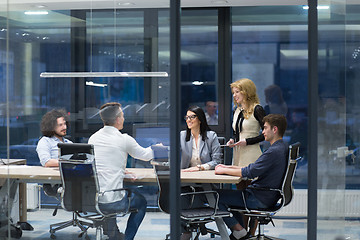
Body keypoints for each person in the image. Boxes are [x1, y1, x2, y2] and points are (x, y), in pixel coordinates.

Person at [215, 114, 288, 240]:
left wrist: (223, 170)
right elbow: (252, 168)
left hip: (259, 198)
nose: (263, 132)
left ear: (274, 129)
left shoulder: (273, 152)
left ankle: (240, 232)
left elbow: (249, 172)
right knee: (230, 198)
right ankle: (241, 232)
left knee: (215, 196)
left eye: (265, 128)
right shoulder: (282, 147)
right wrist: (228, 168)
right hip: (267, 196)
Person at [88, 102, 153, 240]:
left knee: (112, 196)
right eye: (122, 115)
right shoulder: (123, 139)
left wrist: (121, 171)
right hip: (113, 200)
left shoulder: (93, 138)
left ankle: (114, 235)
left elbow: (99, 165)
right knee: (141, 202)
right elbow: (146, 155)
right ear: (117, 119)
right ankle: (127, 238)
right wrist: (158, 147)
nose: (123, 118)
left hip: (94, 198)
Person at [227, 78, 266, 168]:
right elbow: (236, 132)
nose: (234, 95)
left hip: (251, 154)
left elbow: (266, 135)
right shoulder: (237, 110)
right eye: (233, 92)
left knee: (250, 181)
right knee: (239, 181)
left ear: (246, 92)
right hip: (237, 155)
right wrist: (233, 140)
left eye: (237, 92)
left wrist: (247, 141)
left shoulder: (257, 109)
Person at [36, 109, 72, 197]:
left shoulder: (69, 143)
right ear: (51, 127)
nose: (64, 127)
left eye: (64, 124)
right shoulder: (45, 141)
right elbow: (47, 162)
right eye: (60, 125)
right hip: (55, 182)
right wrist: (68, 162)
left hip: (71, 178)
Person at [181, 105, 222, 172]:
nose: (188, 120)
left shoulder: (211, 136)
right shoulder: (182, 136)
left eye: (192, 117)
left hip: (206, 177)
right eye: (187, 117)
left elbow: (217, 161)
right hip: (186, 176)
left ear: (200, 119)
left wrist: (200, 167)